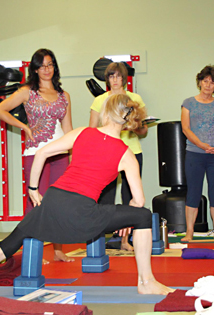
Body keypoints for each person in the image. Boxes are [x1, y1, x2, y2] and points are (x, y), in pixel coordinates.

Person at [0, 94, 174, 298]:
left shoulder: (82, 133)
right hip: (81, 213)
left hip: (53, 201)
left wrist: (33, 189)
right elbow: (139, 202)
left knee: (7, 245)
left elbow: (42, 152)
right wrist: (129, 220)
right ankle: (146, 281)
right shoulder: (126, 154)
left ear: (105, 113)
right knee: (143, 216)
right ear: (127, 120)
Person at [0, 49, 73, 263]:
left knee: (57, 203)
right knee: (35, 202)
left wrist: (73, 157)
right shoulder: (27, 91)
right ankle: (32, 250)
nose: (46, 69)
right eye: (42, 65)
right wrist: (24, 127)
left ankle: (57, 250)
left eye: (50, 65)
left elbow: (68, 129)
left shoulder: (64, 96)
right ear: (35, 69)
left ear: (54, 67)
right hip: (35, 152)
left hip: (59, 155)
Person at [89, 62, 148, 252]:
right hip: (107, 153)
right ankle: (99, 241)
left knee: (130, 198)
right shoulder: (100, 100)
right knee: (105, 198)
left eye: (118, 76)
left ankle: (125, 241)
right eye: (111, 77)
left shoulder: (134, 98)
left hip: (131, 152)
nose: (115, 80)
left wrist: (135, 125)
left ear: (124, 79)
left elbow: (143, 129)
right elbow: (92, 131)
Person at [181, 65, 214, 242]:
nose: (208, 85)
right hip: (195, 154)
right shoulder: (188, 103)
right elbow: (185, 128)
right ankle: (189, 232)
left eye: (212, 82)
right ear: (200, 82)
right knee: (193, 191)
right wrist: (202, 145)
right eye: (205, 81)